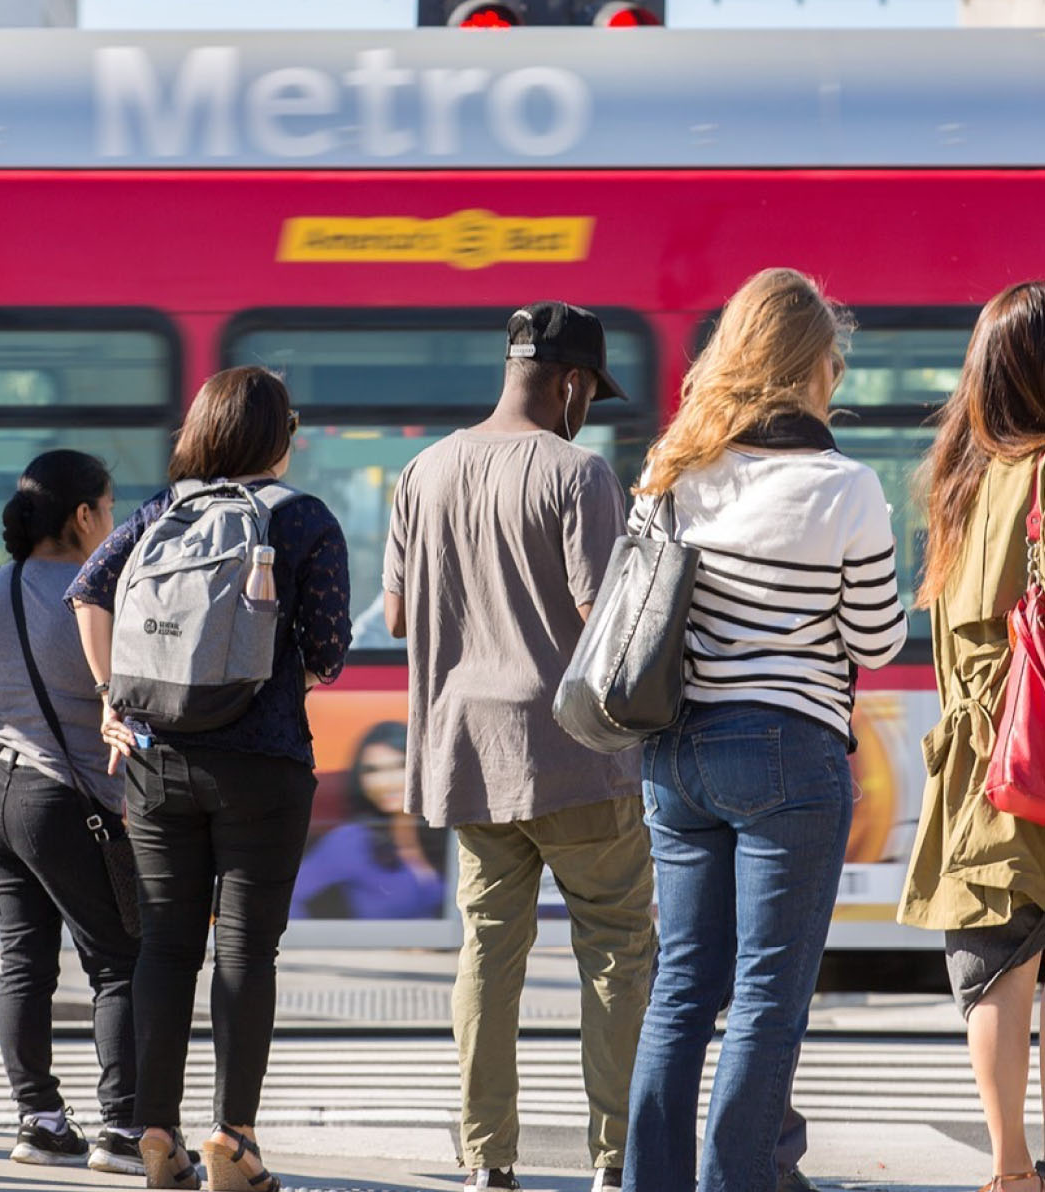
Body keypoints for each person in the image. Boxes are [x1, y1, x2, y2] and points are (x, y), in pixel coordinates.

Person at [621, 268, 907, 1192]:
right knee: (767, 1000)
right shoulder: (844, 486)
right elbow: (877, 637)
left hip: (673, 753)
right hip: (787, 752)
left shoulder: (673, 469)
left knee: (680, 991)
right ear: (813, 368)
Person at [381, 302, 656, 1192]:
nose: (590, 409)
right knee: (615, 948)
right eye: (591, 393)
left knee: (488, 952)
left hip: (465, 757)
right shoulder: (580, 476)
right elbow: (604, 623)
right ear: (570, 382)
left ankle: (486, 1160)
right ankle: (616, 1160)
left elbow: (393, 614)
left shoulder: (421, 473)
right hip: (578, 758)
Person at [68, 366, 351, 1192]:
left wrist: (112, 698)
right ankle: (234, 1137)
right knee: (246, 951)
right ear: (278, 436)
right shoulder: (304, 520)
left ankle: (157, 1133)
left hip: (156, 761)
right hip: (264, 766)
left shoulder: (166, 510)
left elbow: (88, 593)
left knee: (164, 946)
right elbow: (327, 652)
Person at [0, 449, 145, 1176]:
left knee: (24, 962)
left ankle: (39, 1119)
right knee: (119, 964)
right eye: (107, 510)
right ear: (83, 516)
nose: (110, 522)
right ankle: (124, 1130)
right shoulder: (98, 594)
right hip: (69, 802)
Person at [898, 282, 1045, 1192]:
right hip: (1034, 739)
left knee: (998, 966)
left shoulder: (954, 481)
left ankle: (1010, 1168)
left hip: (976, 757)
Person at [291, 721, 446, 919]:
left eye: (400, 766)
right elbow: (289, 900)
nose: (385, 782)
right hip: (378, 950)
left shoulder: (448, 835)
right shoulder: (351, 840)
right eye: (372, 771)